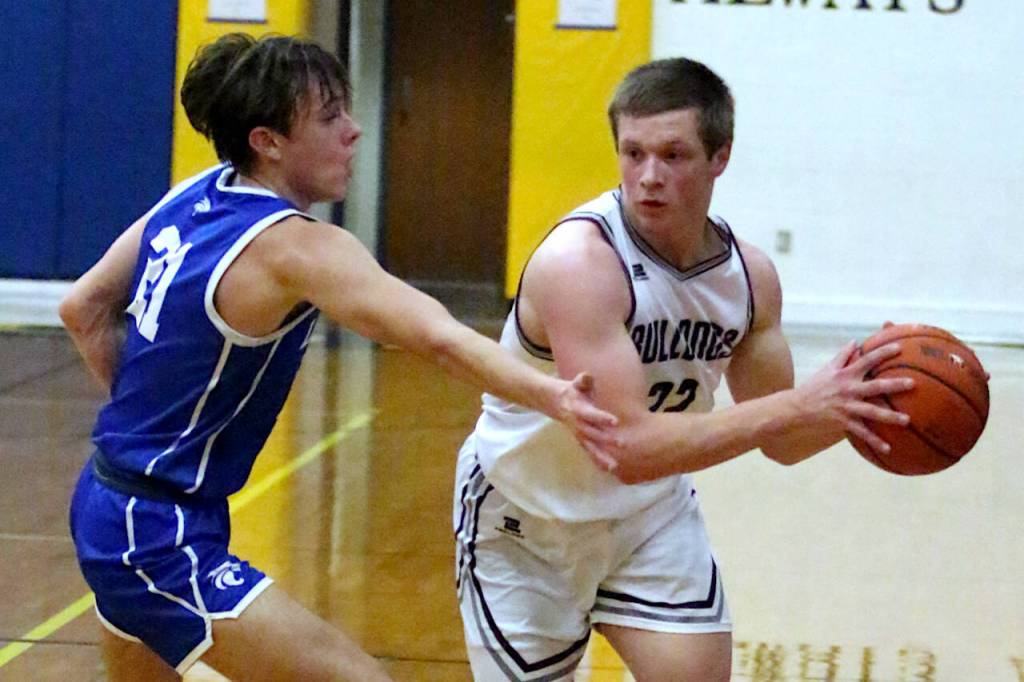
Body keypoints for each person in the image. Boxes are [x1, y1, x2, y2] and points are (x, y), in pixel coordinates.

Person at [60, 33, 618, 682]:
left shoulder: (193, 193)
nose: (354, 131)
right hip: (155, 534)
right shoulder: (294, 249)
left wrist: (148, 425)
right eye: (329, 118)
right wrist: (551, 394)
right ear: (268, 141)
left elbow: (83, 307)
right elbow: (437, 337)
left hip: (111, 499)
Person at [453, 57, 914, 681]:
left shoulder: (749, 279)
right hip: (526, 521)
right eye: (633, 153)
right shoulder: (580, 263)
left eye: (673, 155)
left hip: (648, 517)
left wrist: (871, 397)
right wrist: (799, 405)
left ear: (720, 156)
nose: (649, 177)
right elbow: (625, 448)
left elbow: (781, 439)